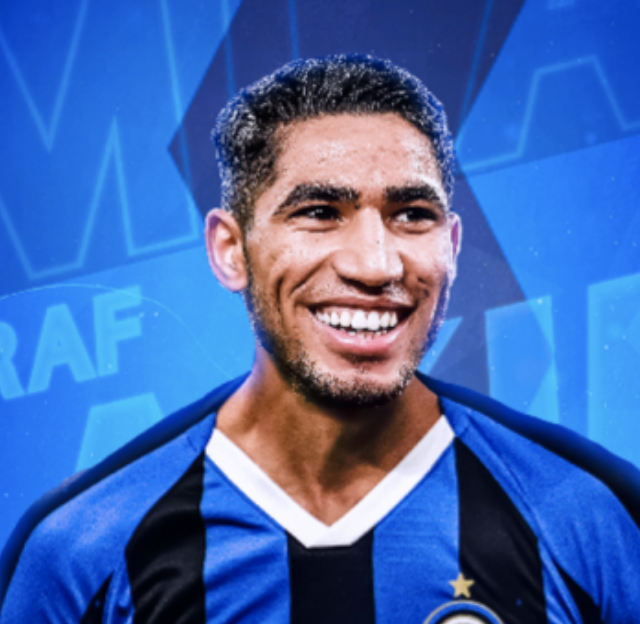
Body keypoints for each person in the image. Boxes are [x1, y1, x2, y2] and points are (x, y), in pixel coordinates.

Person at [1, 54, 640, 624]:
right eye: (318, 213)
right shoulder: (85, 553)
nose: (376, 265)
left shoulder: (590, 517)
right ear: (230, 250)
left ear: (450, 245)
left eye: (412, 215)